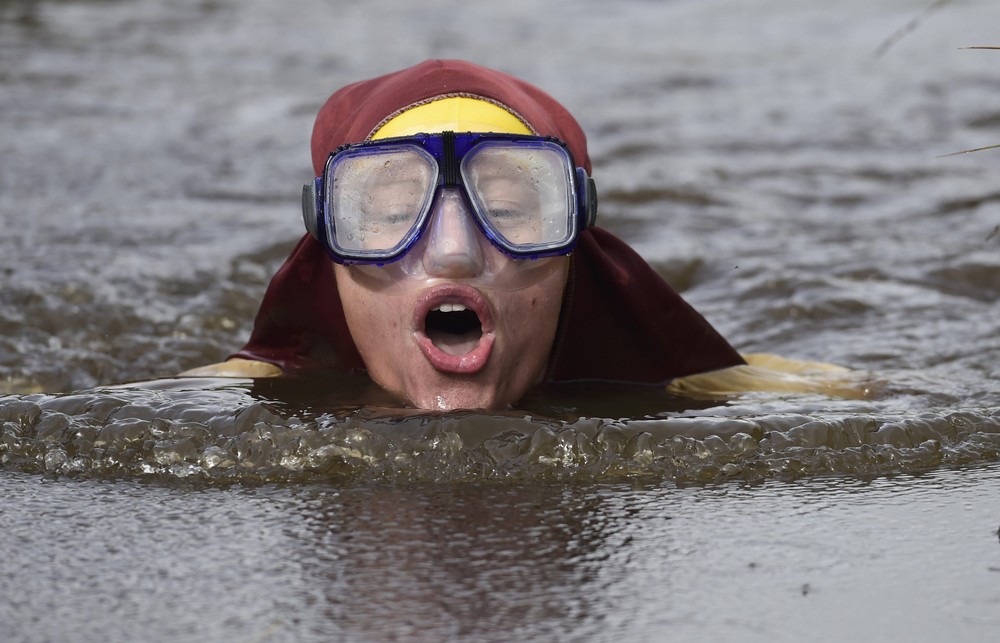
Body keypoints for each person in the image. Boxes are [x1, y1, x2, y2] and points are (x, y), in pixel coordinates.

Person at [181, 59, 869, 409]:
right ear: (325, 254)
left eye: (511, 208)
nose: (454, 251)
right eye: (389, 213)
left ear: (580, 254)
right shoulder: (211, 409)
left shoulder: (721, 392)